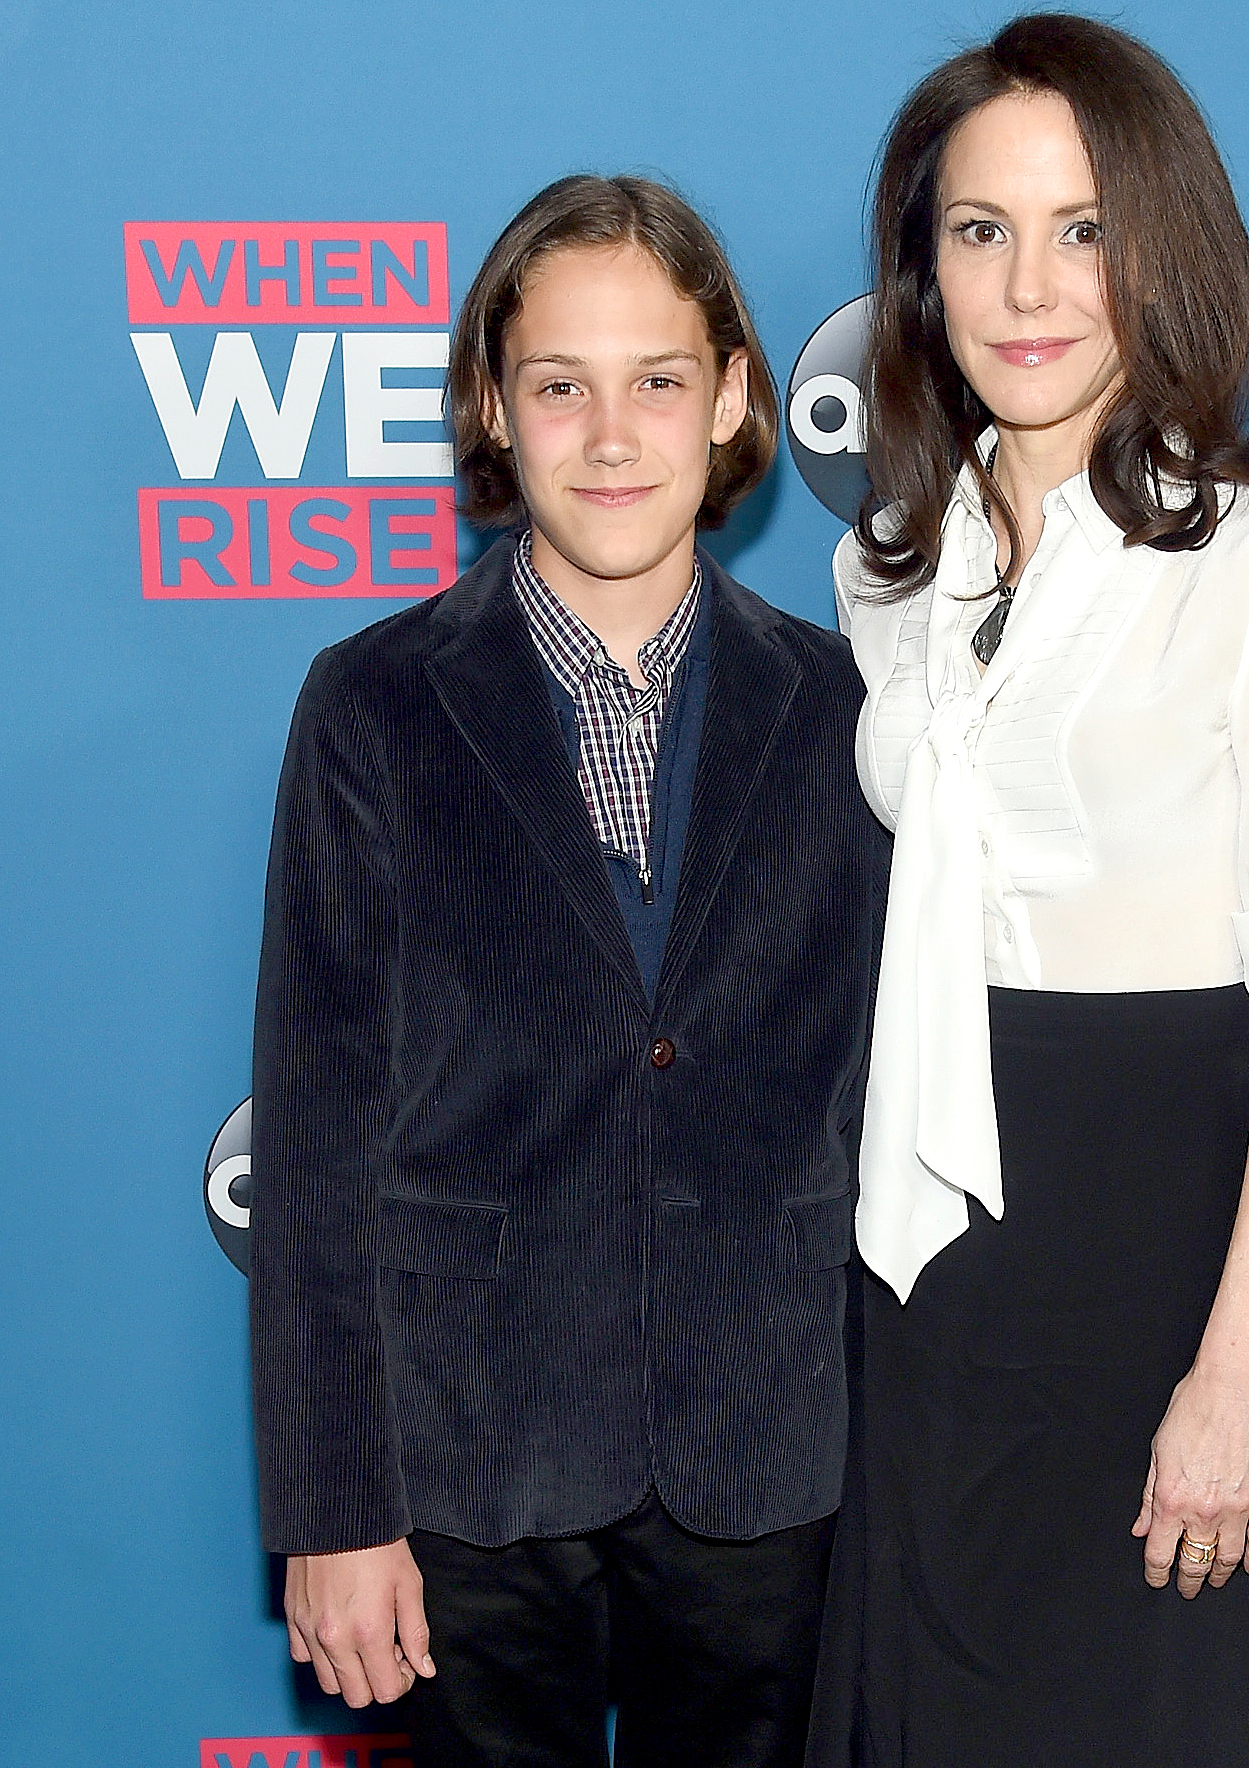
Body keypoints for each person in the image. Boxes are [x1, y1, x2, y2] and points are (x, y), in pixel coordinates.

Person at [814, 16, 1249, 1766]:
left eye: (1084, 228)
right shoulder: (890, 564)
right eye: (978, 230)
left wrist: (1238, 1374)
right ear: (923, 269)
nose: (1027, 285)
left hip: (1162, 1259)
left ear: (1166, 252)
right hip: (926, 1275)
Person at [248, 174, 885, 1768]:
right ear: (493, 406)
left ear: (735, 394)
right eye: (560, 386)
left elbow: (894, 1098)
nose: (613, 438)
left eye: (658, 381)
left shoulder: (842, 710)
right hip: (467, 1466)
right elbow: (316, 1139)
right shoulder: (375, 707)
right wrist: (334, 1511)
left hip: (768, 1461)